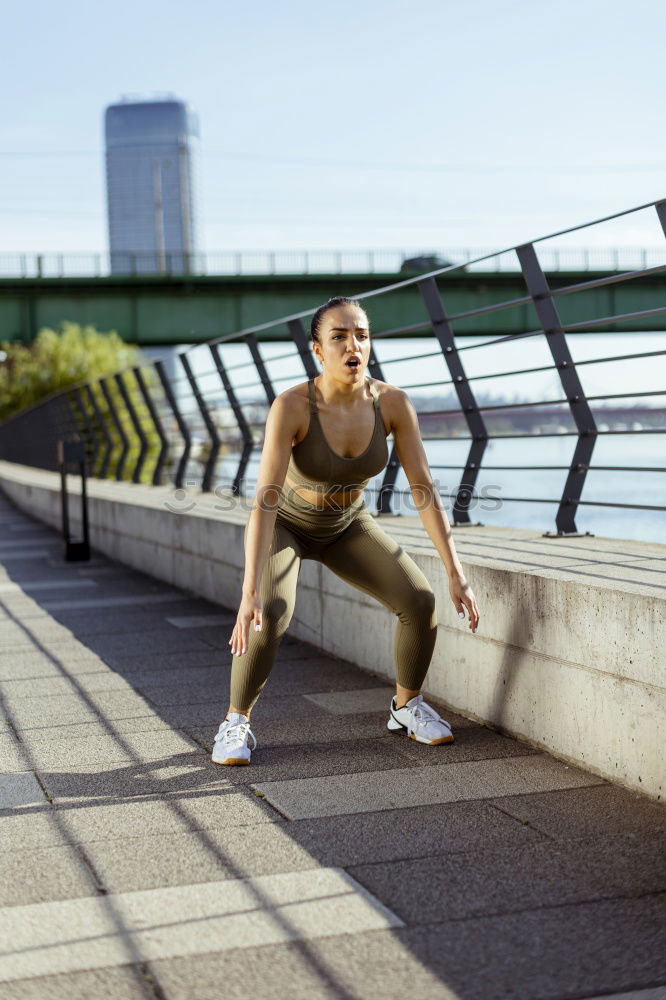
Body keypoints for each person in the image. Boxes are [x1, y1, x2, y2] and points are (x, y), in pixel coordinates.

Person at [213, 296, 480, 765]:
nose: (353, 344)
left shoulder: (392, 403)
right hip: (289, 524)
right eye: (338, 336)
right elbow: (266, 499)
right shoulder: (292, 406)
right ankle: (236, 722)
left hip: (346, 523)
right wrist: (248, 589)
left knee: (419, 601)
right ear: (318, 350)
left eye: (361, 334)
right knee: (270, 610)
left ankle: (406, 707)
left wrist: (455, 571)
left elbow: (423, 489)